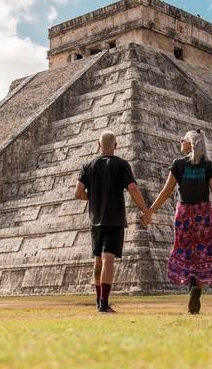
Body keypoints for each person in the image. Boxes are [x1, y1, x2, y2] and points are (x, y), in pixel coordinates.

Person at [142, 129, 212, 314]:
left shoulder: (178, 165)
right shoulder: (208, 166)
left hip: (184, 215)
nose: (179, 142)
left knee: (186, 253)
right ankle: (197, 287)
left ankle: (192, 286)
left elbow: (166, 192)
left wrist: (150, 211)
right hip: (203, 215)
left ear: (189, 143)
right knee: (203, 254)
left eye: (182, 139)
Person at [75, 131, 148, 313]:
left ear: (98, 144)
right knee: (108, 259)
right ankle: (104, 302)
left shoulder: (88, 165)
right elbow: (132, 188)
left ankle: (98, 299)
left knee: (98, 260)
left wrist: (93, 198)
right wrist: (145, 209)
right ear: (116, 146)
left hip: (95, 218)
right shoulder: (122, 165)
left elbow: (78, 193)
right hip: (114, 218)